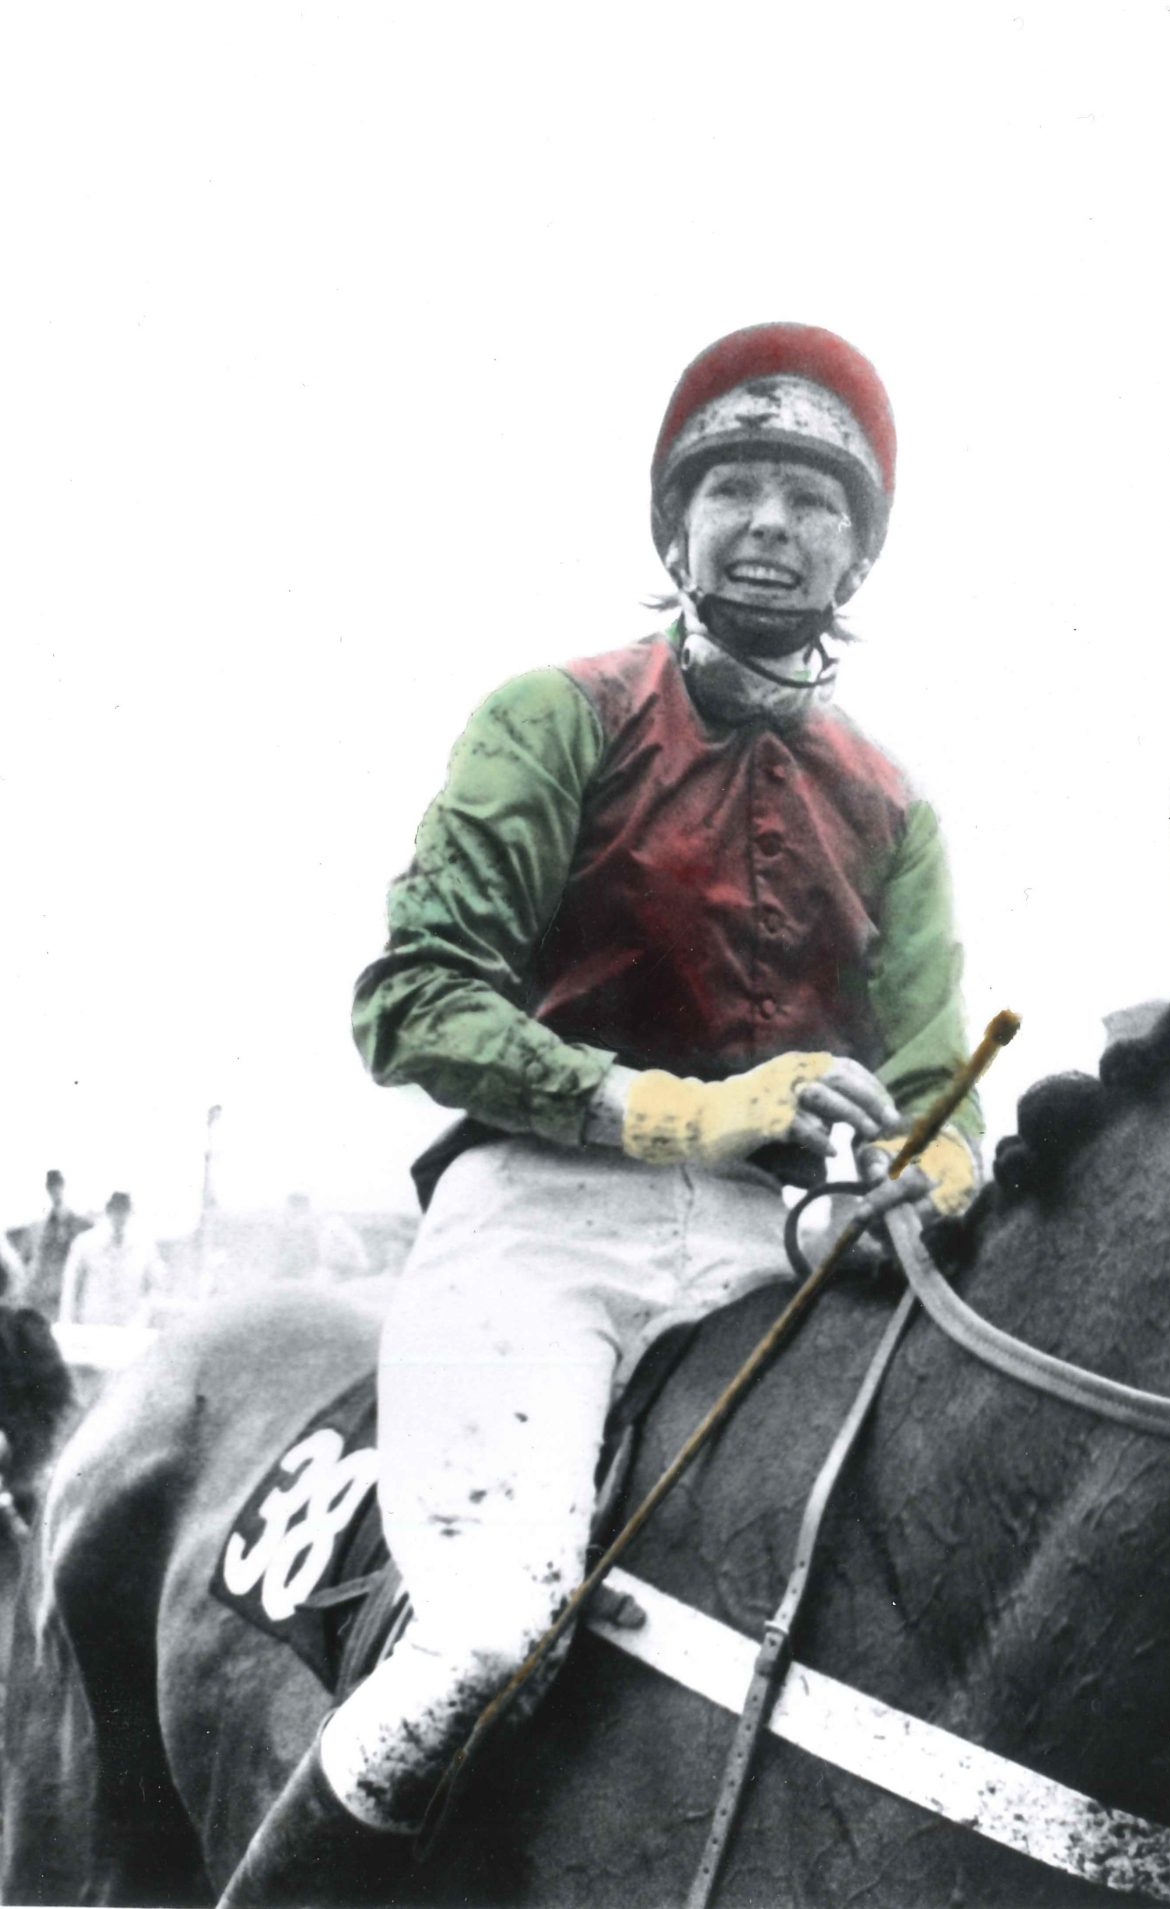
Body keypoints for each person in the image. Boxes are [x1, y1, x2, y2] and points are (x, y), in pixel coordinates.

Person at [220, 323, 985, 1905]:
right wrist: (679, 1114)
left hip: (777, 1253)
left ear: (859, 553)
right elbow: (414, 1002)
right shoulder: (555, 715)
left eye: (813, 499)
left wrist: (929, 1174)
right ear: (676, 531)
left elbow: (930, 1083)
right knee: (495, 1624)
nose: (774, 521)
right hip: (545, 1224)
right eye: (739, 488)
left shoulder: (896, 805)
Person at [59, 1192, 168, 1328]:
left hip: (130, 1325)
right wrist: (68, 1323)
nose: (119, 1216)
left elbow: (157, 1286)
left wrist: (144, 1315)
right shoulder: (85, 1243)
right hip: (92, 1323)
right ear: (107, 1211)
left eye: (124, 1210)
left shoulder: (144, 1245)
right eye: (115, 1210)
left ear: (130, 1212)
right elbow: (71, 1286)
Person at [15, 1170, 91, 1321]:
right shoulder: (35, 1227)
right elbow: (24, 1261)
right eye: (51, 1186)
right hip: (41, 1294)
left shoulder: (80, 1225)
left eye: (58, 1185)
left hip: (67, 1295)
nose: (55, 1190)